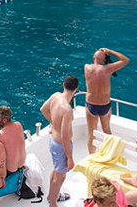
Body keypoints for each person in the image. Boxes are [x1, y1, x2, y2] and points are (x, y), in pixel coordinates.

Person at [40, 75, 79, 207]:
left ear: (63, 85)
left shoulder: (55, 95)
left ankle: (52, 196)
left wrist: (53, 123)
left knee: (57, 171)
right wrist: (70, 157)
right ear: (76, 89)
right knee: (60, 177)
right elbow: (64, 137)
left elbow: (43, 109)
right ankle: (53, 204)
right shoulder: (67, 110)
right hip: (61, 146)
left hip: (53, 141)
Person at [85, 48, 130, 153]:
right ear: (104, 60)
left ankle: (91, 157)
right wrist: (110, 51)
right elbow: (125, 60)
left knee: (91, 133)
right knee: (107, 130)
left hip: (91, 105)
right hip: (104, 104)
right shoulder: (108, 69)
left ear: (93, 58)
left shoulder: (87, 67)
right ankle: (110, 154)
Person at [0, 105, 26, 175]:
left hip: (11, 170)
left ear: (4, 120)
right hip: (21, 163)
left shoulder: (0, 135)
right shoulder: (18, 125)